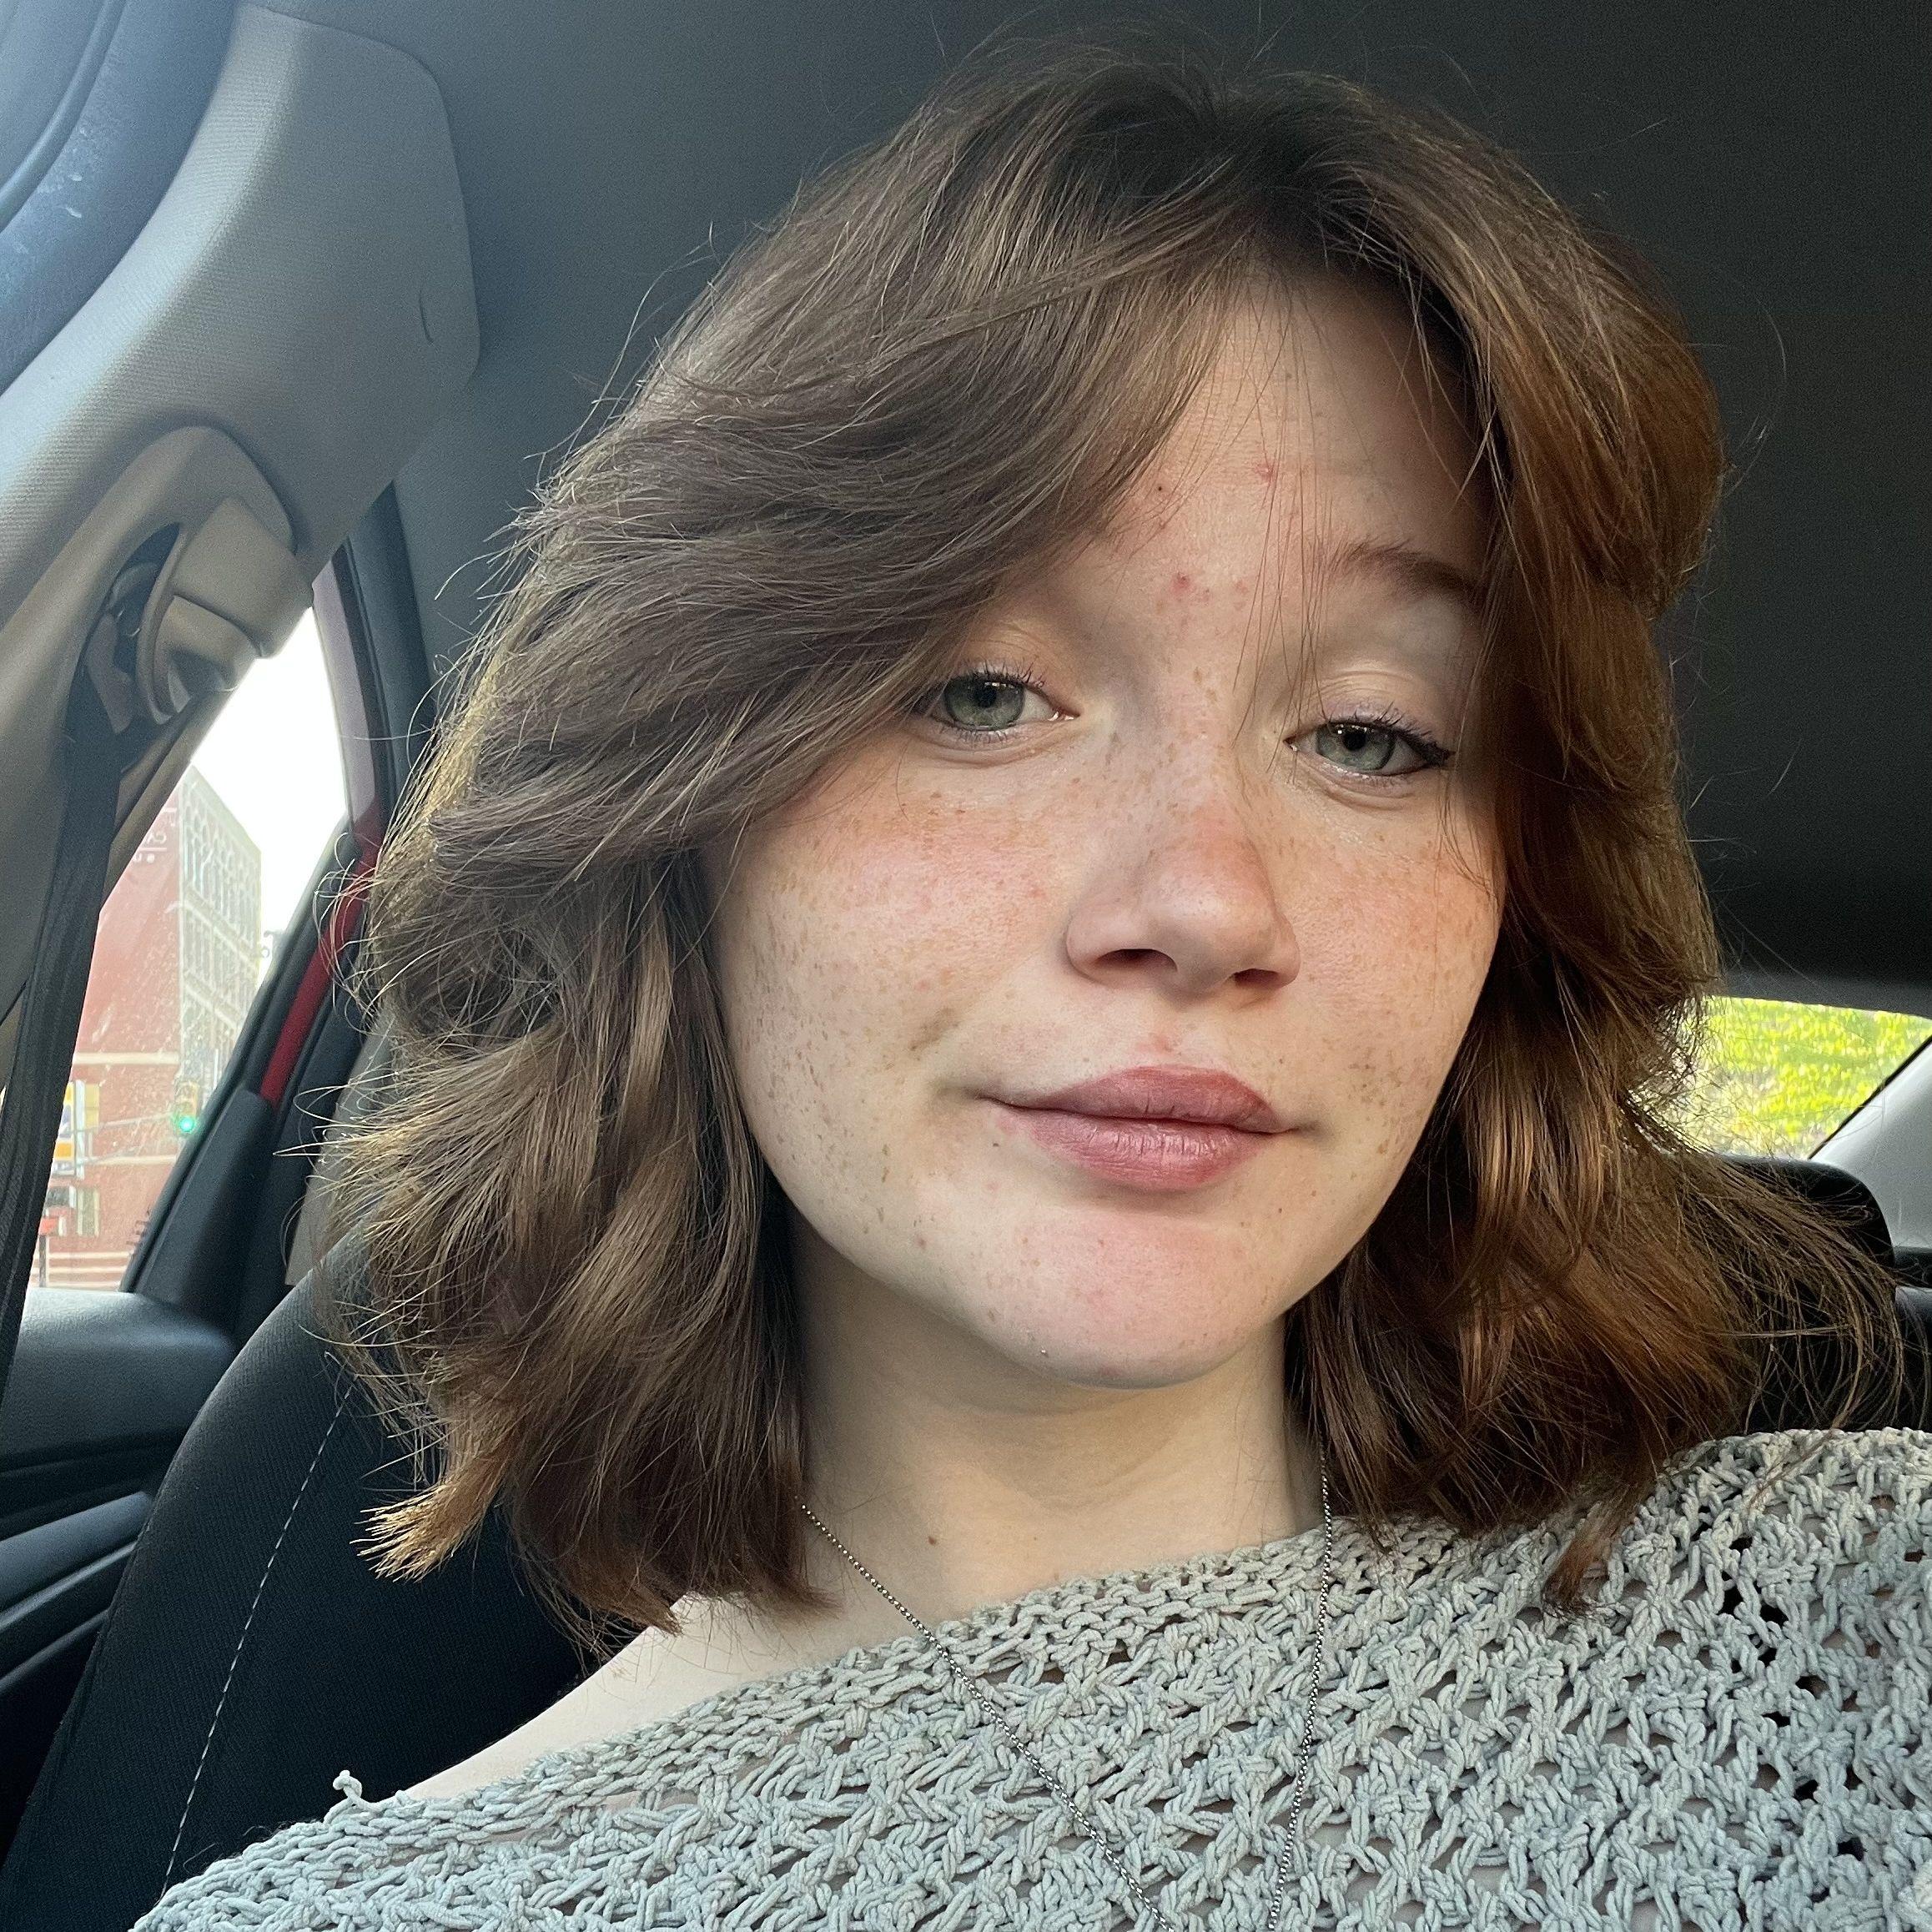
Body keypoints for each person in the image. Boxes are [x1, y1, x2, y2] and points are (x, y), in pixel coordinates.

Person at [134, 29, 1927, 1931]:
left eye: (1375, 734)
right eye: (982, 694)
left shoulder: (1861, 1637)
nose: (1204, 903)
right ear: (688, 806)